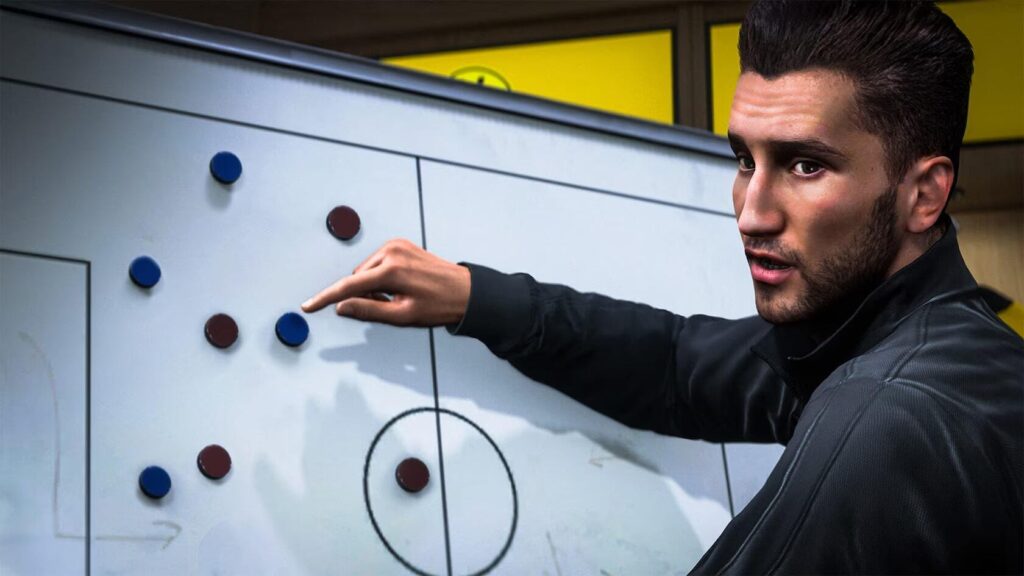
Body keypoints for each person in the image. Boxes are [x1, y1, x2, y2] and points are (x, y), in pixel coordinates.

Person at [302, 1, 1023, 572]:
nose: (751, 213)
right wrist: (476, 298)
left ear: (924, 194)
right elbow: (677, 364)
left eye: (805, 165)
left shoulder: (888, 413)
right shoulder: (920, 337)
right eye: (745, 159)